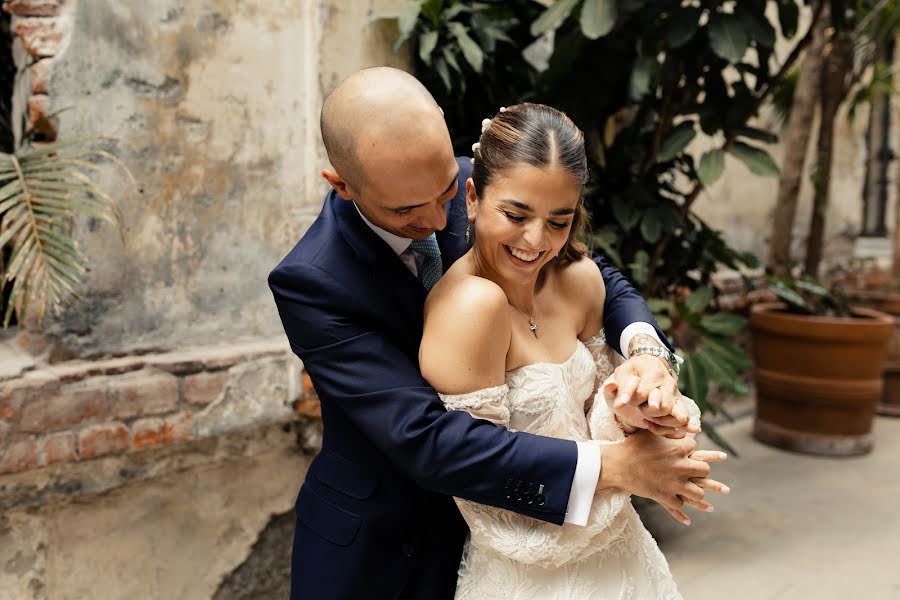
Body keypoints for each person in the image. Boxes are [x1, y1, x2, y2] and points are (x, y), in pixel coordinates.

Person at [268, 67, 727, 600]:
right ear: (342, 185)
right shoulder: (312, 281)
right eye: (406, 210)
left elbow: (591, 271)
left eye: (445, 193)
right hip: (390, 546)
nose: (439, 221)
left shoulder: (491, 181)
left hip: (532, 532)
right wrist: (616, 466)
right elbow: (425, 439)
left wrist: (643, 351)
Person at [421, 102, 725, 599]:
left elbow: (589, 413)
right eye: (515, 214)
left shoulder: (580, 279)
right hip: (528, 576)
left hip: (625, 561)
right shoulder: (469, 308)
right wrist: (625, 468)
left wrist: (635, 412)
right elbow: (481, 487)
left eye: (559, 221)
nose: (536, 241)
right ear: (472, 198)